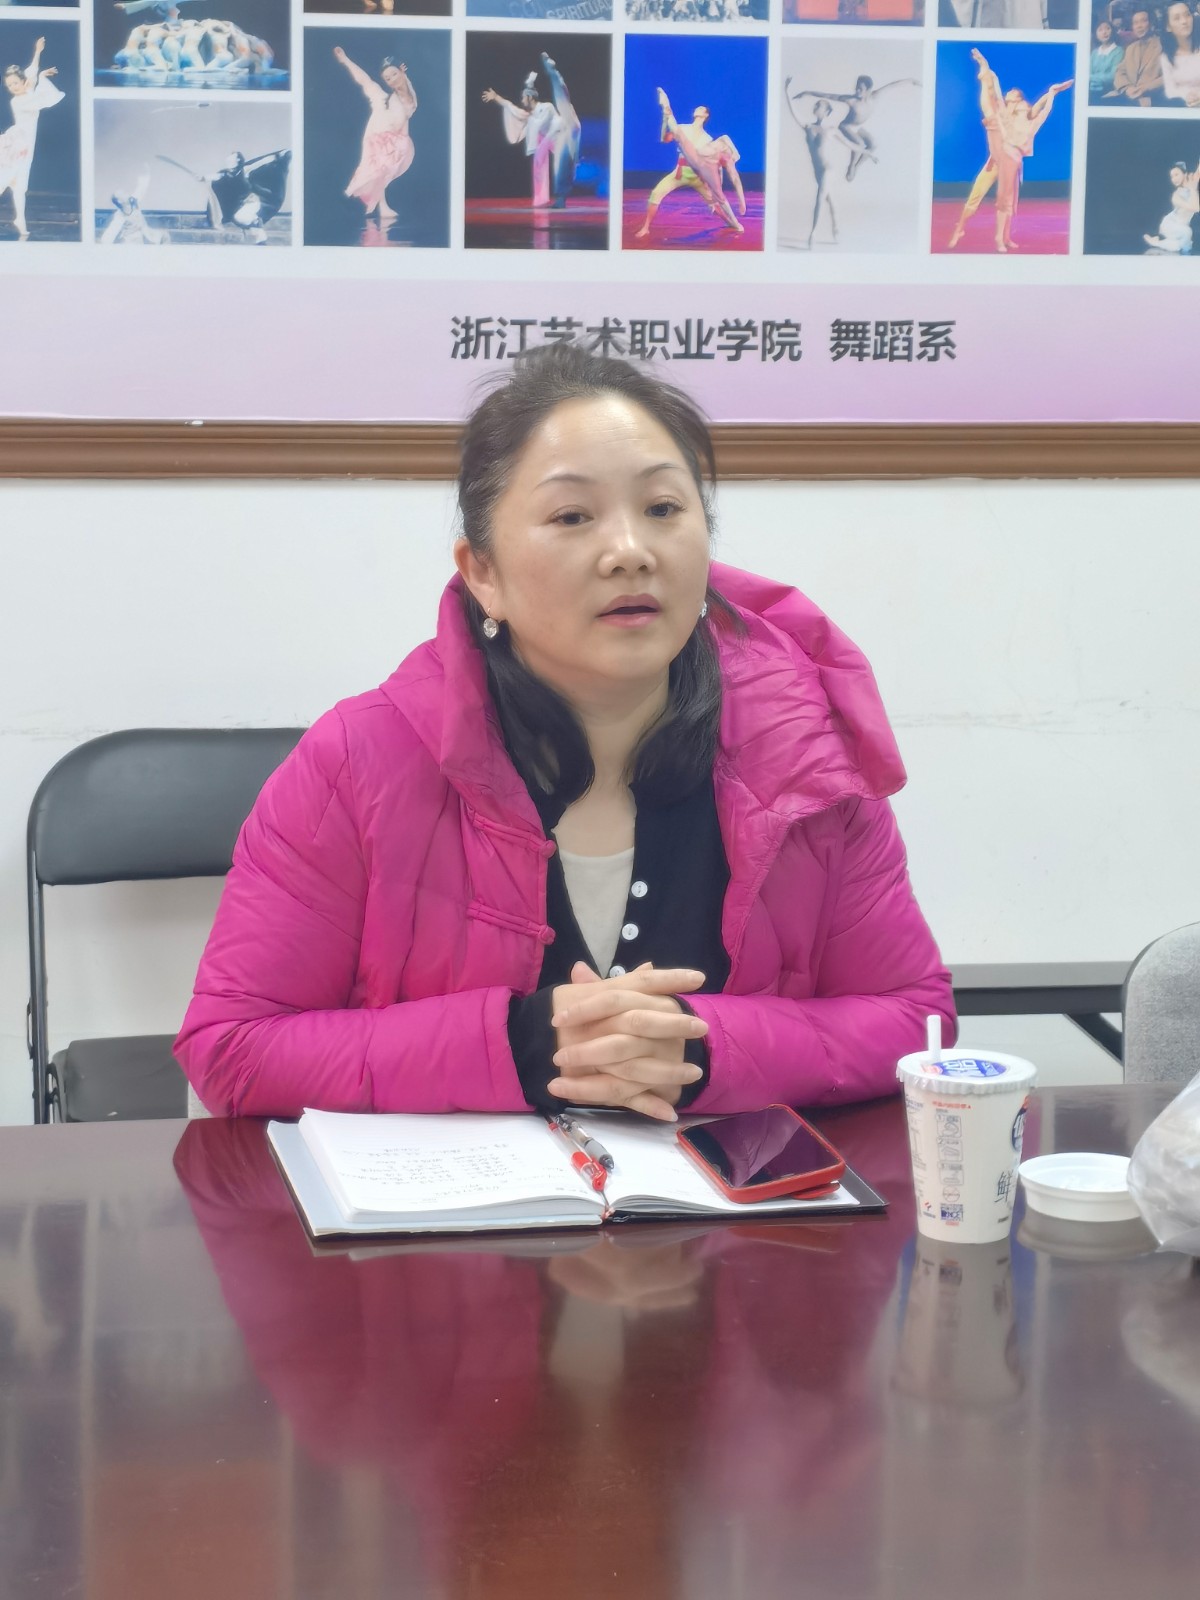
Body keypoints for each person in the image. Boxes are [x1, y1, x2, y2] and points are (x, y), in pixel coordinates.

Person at [176, 343, 954, 1121]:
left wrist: (702, 1048)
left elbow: (915, 1020)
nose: (630, 553)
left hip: (733, 1200)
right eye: (573, 517)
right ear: (483, 573)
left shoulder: (803, 751)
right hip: (455, 1202)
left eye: (663, 509)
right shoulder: (357, 762)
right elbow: (233, 1049)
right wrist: (518, 1045)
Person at [947, 48, 1071, 253]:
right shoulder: (1003, 114)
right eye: (1011, 94)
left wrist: (1052, 92)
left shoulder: (1027, 119)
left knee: (1008, 203)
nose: (1011, 93)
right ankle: (961, 229)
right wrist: (986, 68)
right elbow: (996, 91)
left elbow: (1041, 108)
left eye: (1016, 95)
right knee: (977, 198)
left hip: (1010, 161)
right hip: (996, 159)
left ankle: (1004, 238)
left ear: (1021, 102)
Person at [634, 89, 745, 239]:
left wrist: (715, 181)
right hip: (680, 173)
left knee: (716, 203)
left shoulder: (707, 138)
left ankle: (732, 222)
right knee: (656, 193)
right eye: (697, 108)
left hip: (698, 177)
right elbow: (664, 138)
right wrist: (665, 119)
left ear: (705, 115)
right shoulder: (683, 128)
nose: (697, 109)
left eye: (701, 108)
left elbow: (713, 166)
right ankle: (646, 227)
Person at [482, 53, 579, 211]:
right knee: (552, 163)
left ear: (530, 97)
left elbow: (556, 124)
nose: (521, 101)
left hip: (566, 129)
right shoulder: (529, 117)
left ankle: (554, 73)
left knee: (563, 100)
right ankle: (552, 199)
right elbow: (509, 106)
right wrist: (496, 97)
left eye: (523, 98)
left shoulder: (546, 107)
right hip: (559, 142)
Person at [334, 47, 416, 226]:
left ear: (401, 71)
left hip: (394, 143)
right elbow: (364, 79)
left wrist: (405, 78)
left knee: (382, 173)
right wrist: (345, 60)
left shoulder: (408, 101)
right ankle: (369, 203)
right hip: (375, 141)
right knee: (374, 173)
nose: (392, 79)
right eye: (388, 78)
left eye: (394, 74)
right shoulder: (380, 97)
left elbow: (408, 96)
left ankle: (381, 206)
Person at [786, 73, 919, 182]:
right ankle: (851, 166)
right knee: (859, 144)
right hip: (846, 127)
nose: (856, 91)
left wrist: (911, 80)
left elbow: (892, 85)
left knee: (873, 145)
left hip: (859, 127)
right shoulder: (851, 100)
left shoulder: (875, 96)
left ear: (868, 90)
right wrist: (807, 92)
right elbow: (828, 96)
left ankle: (856, 166)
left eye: (860, 89)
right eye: (856, 88)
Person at [0, 37, 64, 242]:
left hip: (27, 143)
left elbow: (32, 71)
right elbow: (37, 96)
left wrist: (37, 52)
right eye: (9, 85)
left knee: (20, 186)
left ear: (22, 81)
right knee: (6, 178)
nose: (13, 87)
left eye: (15, 83)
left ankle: (20, 219)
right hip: (19, 145)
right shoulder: (18, 101)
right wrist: (42, 77)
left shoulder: (27, 88)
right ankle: (20, 219)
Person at [783, 82, 858, 248]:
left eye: (820, 105)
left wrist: (868, 153)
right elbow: (793, 113)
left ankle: (813, 234)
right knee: (830, 199)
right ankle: (836, 228)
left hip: (827, 169)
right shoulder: (808, 127)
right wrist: (786, 91)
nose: (816, 106)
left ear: (826, 112)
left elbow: (850, 144)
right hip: (817, 171)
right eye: (816, 104)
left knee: (820, 198)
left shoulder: (831, 130)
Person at [1107, 8, 1164, 104]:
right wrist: (1127, 88)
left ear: (1151, 24)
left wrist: (1145, 88)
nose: (1139, 26)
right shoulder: (1131, 48)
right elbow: (1120, 72)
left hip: (1152, 98)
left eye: (1143, 21)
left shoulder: (1163, 45)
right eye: (1135, 23)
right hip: (1128, 95)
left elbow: (1169, 76)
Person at [1144, 158, 1198, 252]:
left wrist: (1193, 188)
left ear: (1185, 174)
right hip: (1170, 225)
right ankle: (1157, 242)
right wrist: (1193, 189)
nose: (1174, 179)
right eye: (1172, 176)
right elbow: (1195, 208)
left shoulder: (1192, 182)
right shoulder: (1176, 196)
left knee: (1185, 246)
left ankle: (1157, 242)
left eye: (1176, 175)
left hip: (1182, 227)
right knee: (1187, 233)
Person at [1161, 0, 1200, 106]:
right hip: (1184, 107)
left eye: (1187, 15)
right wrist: (1186, 95)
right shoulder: (1166, 57)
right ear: (1168, 26)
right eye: (1177, 18)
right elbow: (1169, 91)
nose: (1184, 21)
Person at [1089, 18, 1125, 100]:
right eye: (1100, 30)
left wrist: (1091, 78)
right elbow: (1088, 72)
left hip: (1109, 91)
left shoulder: (1119, 51)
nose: (1104, 32)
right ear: (1096, 34)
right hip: (1090, 90)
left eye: (1107, 28)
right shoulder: (1094, 52)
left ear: (1113, 31)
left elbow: (1113, 76)